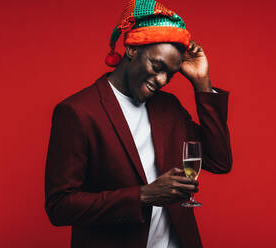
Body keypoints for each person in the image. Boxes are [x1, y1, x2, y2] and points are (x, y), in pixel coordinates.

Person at [44, 0, 232, 247]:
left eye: (170, 74)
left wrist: (202, 84)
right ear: (132, 49)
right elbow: (60, 207)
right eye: (157, 66)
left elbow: (218, 161)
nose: (162, 80)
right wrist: (144, 195)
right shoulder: (78, 112)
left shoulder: (169, 107)